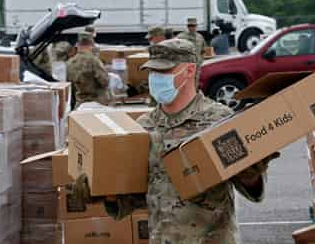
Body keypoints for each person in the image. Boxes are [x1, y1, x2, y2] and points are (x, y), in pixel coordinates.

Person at [102, 39, 280, 243]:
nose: (155, 78)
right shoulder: (144, 126)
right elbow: (137, 196)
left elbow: (253, 191)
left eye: (163, 72)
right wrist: (106, 190)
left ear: (189, 71)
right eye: (152, 72)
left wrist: (251, 173)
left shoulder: (220, 119)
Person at [67, 31, 112, 109]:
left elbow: (70, 86)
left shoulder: (70, 63)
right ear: (91, 44)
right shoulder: (94, 60)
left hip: (80, 103)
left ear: (78, 44)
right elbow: (104, 81)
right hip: (98, 102)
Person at [176, 18, 207, 86]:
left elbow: (203, 50)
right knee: (185, 83)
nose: (192, 27)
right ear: (187, 26)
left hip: (196, 65)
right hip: (186, 65)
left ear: (196, 26)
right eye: (190, 26)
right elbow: (176, 50)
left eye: (193, 26)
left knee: (195, 83)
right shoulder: (181, 37)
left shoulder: (200, 37)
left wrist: (201, 60)